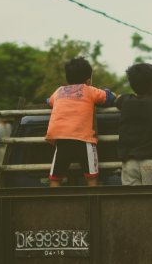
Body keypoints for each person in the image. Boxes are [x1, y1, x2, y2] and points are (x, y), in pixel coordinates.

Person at [46, 57, 115, 187]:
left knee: (55, 178)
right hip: (84, 139)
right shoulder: (89, 90)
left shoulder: (59, 91)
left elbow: (48, 101)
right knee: (92, 177)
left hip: (61, 138)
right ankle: (93, 205)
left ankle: (54, 205)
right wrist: (107, 90)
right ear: (88, 80)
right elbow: (109, 98)